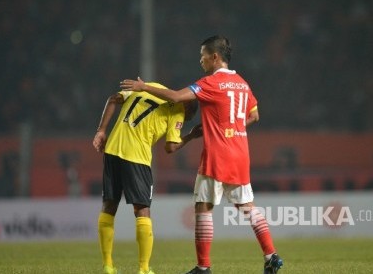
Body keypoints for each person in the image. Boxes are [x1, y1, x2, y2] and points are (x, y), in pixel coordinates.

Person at [120, 35, 283, 274]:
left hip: (218, 155)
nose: (201, 61)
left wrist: (144, 87)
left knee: (203, 207)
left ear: (215, 57)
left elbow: (176, 97)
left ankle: (203, 267)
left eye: (203, 55)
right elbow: (254, 116)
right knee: (248, 207)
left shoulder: (211, 83)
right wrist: (232, 128)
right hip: (240, 152)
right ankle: (271, 255)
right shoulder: (242, 83)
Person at [92, 82, 200, 274]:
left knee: (109, 206)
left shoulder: (149, 86)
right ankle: (143, 269)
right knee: (142, 211)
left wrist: (101, 130)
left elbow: (113, 99)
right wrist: (191, 135)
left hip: (113, 150)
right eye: (188, 116)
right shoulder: (177, 109)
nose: (185, 118)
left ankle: (107, 266)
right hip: (137, 158)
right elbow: (171, 147)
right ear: (188, 105)